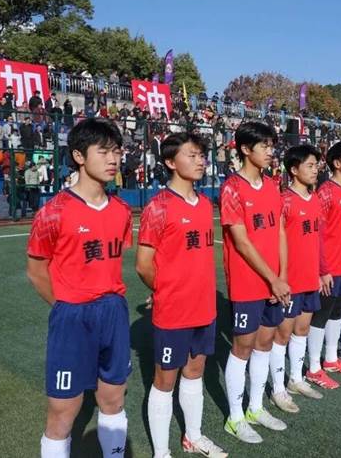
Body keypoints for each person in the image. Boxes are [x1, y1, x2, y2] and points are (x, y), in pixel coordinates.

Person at [26, 118, 132, 458]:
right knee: (63, 411)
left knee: (113, 399)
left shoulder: (122, 210)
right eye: (103, 151)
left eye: (117, 151)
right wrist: (67, 305)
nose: (113, 159)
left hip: (114, 312)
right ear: (78, 156)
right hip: (72, 316)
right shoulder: (53, 212)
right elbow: (36, 272)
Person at [136, 133, 227, 458]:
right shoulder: (158, 207)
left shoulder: (203, 204)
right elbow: (143, 265)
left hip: (204, 307)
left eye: (202, 155)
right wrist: (165, 290)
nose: (200, 161)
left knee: (195, 372)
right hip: (174, 310)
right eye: (192, 155)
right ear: (170, 162)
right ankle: (161, 452)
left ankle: (193, 437)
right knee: (165, 380)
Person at [220, 121, 290, 444]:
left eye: (271, 146)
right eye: (264, 146)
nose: (270, 151)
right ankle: (235, 418)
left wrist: (283, 276)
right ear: (246, 149)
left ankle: (256, 408)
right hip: (248, 282)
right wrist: (272, 278)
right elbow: (242, 241)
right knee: (243, 347)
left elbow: (280, 232)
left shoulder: (273, 185)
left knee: (265, 343)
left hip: (275, 282)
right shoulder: (232, 188)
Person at [268, 145, 326, 413]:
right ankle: (277, 389)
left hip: (310, 279)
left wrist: (321, 271)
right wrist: (279, 280)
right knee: (282, 334)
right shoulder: (284, 201)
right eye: (310, 166)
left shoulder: (315, 199)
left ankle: (295, 379)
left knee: (302, 330)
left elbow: (318, 239)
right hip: (290, 281)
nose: (315, 170)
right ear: (293, 169)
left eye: (316, 166)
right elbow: (274, 243)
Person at [305, 141, 341, 389]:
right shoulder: (326, 192)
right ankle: (313, 367)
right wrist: (322, 269)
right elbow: (317, 233)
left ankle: (330, 359)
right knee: (322, 315)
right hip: (330, 267)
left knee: (337, 312)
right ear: (337, 163)